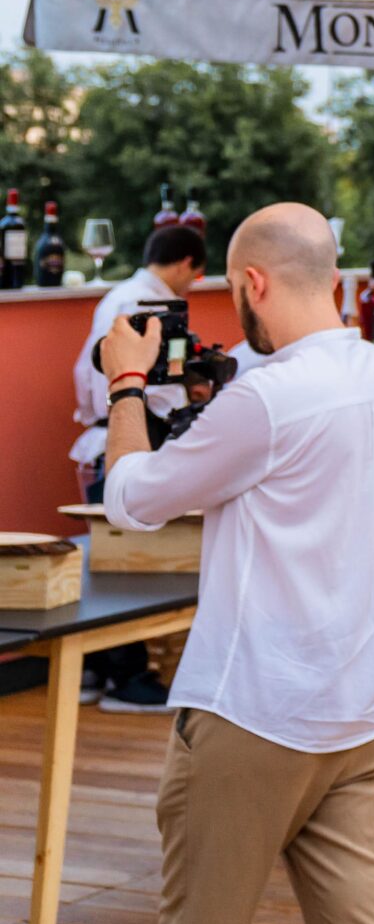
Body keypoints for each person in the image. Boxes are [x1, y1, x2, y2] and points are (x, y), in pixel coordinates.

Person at [100, 203, 374, 924]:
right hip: (360, 705)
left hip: (257, 711)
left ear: (254, 281)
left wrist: (126, 382)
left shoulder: (267, 400)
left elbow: (131, 498)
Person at [67, 223, 210, 712]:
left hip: (108, 430)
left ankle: (93, 671)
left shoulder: (119, 297)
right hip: (126, 432)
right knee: (123, 563)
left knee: (111, 559)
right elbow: (133, 381)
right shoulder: (145, 307)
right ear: (188, 264)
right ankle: (126, 678)